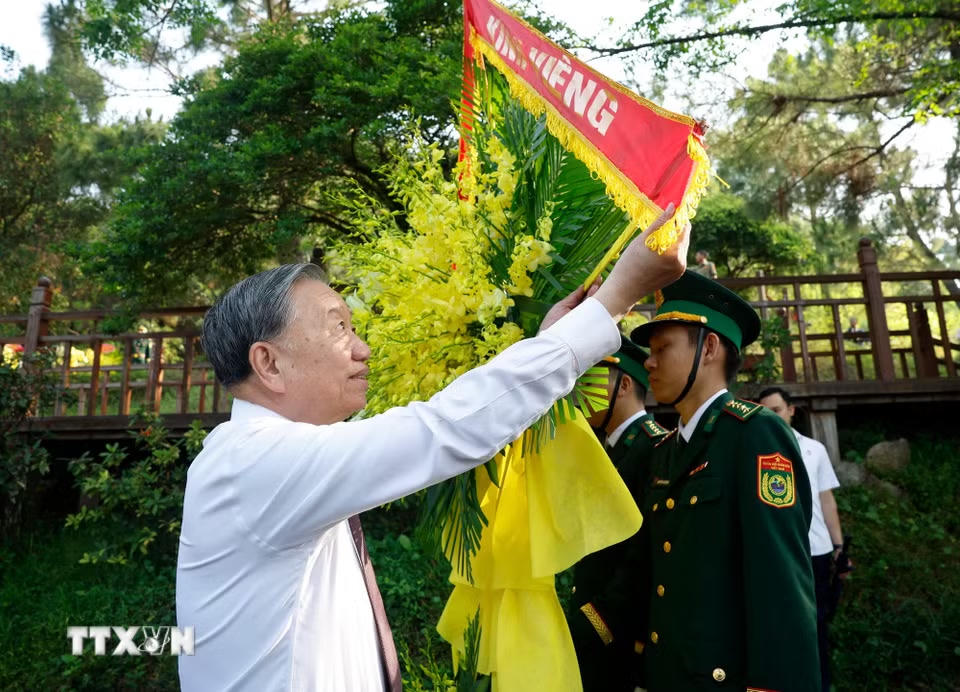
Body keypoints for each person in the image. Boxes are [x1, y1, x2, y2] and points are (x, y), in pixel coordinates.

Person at [175, 208, 688, 691]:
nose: (363, 349)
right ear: (268, 364)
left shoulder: (274, 461)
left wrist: (550, 341)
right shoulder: (253, 464)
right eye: (338, 328)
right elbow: (441, 429)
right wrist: (614, 298)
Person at [630, 270, 819, 691]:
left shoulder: (755, 434)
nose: (649, 362)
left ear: (710, 348)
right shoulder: (666, 449)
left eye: (662, 348)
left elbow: (780, 580)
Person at [569, 338, 669, 691]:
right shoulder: (608, 448)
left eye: (590, 382)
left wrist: (597, 621)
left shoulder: (654, 447)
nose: (579, 394)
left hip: (622, 633)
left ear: (624, 385)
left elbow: (645, 553)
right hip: (595, 622)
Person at [758, 386, 845, 692]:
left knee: (816, 624)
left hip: (816, 550)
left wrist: (838, 545)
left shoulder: (814, 449)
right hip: (777, 553)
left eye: (777, 410)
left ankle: (819, 684)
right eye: (765, 412)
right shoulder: (757, 449)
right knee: (780, 624)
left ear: (791, 410)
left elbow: (826, 500)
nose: (772, 416)